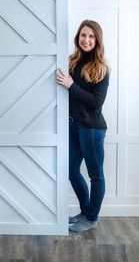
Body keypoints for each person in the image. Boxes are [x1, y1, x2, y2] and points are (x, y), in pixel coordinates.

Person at [56, 19, 110, 232]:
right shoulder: (70, 61)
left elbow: (97, 102)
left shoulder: (102, 68)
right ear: (78, 37)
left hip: (92, 129)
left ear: (97, 40)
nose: (86, 40)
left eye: (91, 36)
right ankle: (85, 211)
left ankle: (92, 217)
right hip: (72, 126)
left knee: (95, 175)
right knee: (70, 170)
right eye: (83, 35)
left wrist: (71, 86)